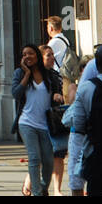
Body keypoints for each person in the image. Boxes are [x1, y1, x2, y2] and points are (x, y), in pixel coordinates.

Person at [12, 43, 64, 197]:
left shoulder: (49, 75)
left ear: (37, 56)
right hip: (26, 122)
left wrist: (57, 96)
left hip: (46, 124)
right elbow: (16, 93)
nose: (27, 57)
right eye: (24, 54)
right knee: (34, 157)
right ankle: (36, 192)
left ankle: (42, 188)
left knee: (48, 161)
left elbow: (57, 93)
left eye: (30, 53)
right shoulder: (19, 74)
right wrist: (27, 75)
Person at [68, 44, 102, 196]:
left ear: (96, 64)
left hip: (95, 152)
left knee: (96, 189)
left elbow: (78, 124)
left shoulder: (85, 89)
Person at [38, 44, 69, 194]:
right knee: (41, 156)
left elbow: (60, 93)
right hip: (40, 120)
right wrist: (52, 96)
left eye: (52, 54)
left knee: (58, 155)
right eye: (48, 55)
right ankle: (30, 183)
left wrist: (60, 97)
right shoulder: (36, 76)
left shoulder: (56, 75)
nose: (51, 57)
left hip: (54, 120)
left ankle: (57, 189)